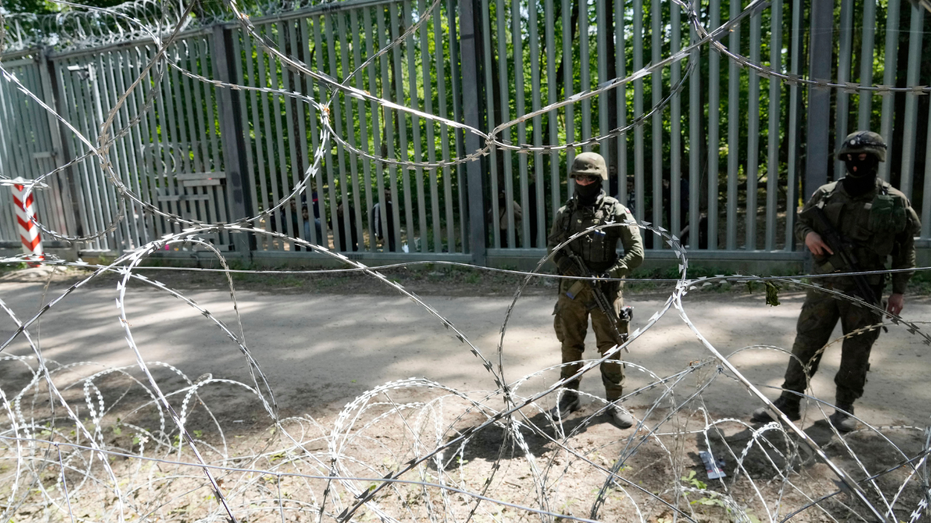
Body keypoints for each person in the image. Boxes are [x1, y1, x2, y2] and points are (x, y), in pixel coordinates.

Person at [751, 131, 921, 432]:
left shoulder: (893, 201)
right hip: (824, 286)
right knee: (806, 343)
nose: (857, 163)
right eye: (852, 158)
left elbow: (905, 249)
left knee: (857, 350)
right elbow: (803, 222)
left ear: (876, 160)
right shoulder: (826, 194)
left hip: (865, 288)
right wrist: (809, 235)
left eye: (864, 158)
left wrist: (898, 292)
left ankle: (845, 407)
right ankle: (789, 401)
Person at [547, 152, 644, 429]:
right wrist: (570, 266)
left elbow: (636, 253)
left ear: (599, 178)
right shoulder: (565, 214)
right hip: (572, 292)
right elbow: (553, 247)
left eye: (589, 177)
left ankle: (614, 403)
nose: (583, 181)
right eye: (579, 176)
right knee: (570, 345)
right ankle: (569, 396)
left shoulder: (616, 211)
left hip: (606, 292)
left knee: (611, 349)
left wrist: (609, 275)